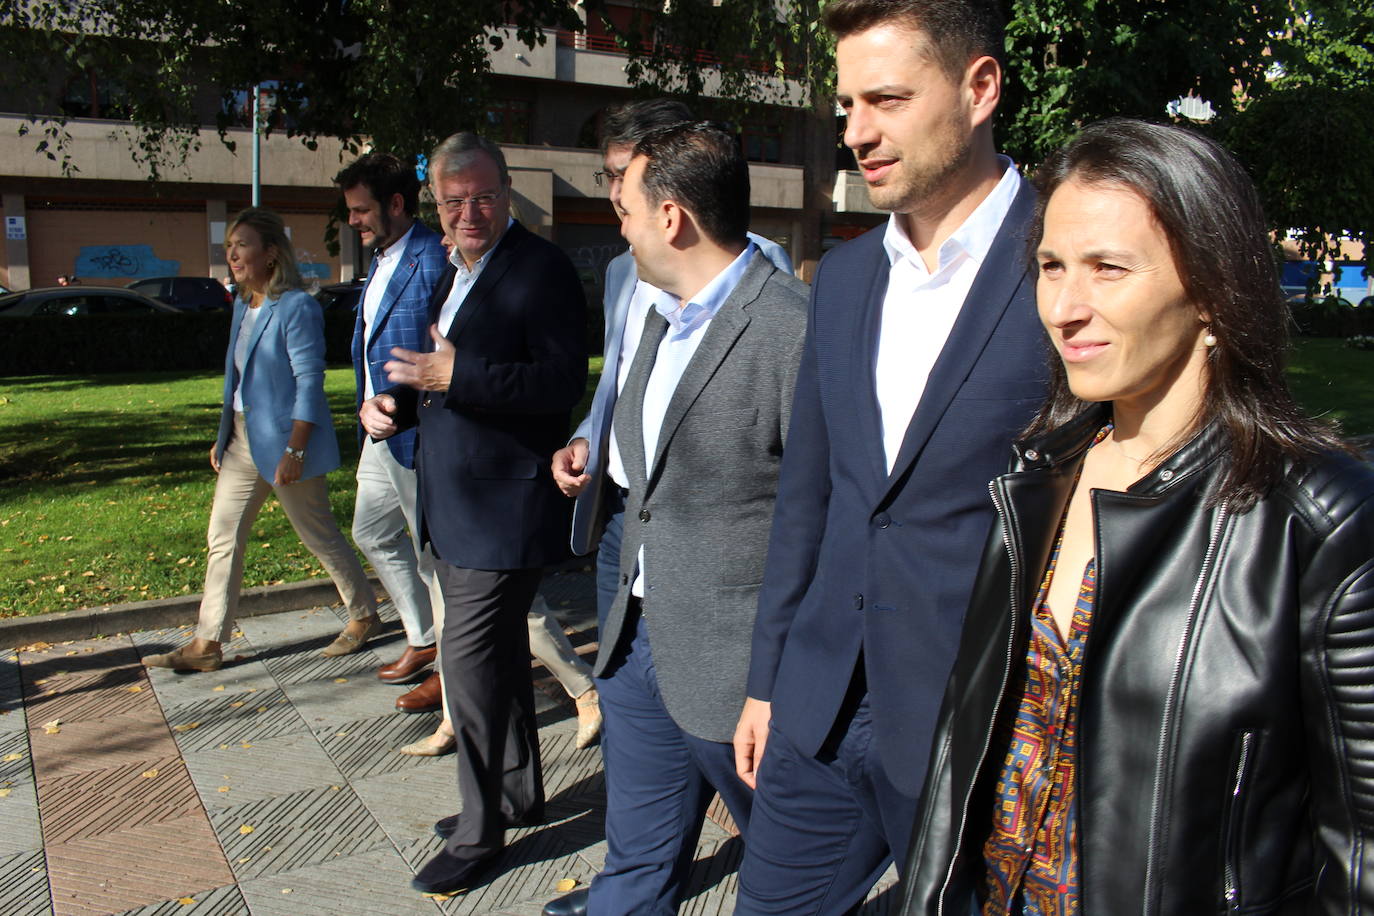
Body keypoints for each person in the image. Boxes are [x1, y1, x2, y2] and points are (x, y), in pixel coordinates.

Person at [902, 118, 1374, 914]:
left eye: (1107, 269)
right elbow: (968, 747)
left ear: (1215, 294)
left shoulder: (1317, 522)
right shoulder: (1038, 477)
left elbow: (1360, 853)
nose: (1064, 307)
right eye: (1051, 266)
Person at [730, 0, 1049, 911]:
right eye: (847, 108)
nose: (857, 134)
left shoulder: (1064, 263)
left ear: (979, 87)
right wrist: (767, 682)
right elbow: (811, 495)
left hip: (975, 719)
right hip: (819, 703)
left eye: (887, 100)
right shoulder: (847, 275)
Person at [544, 122, 808, 916]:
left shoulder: (791, 329)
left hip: (734, 664)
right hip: (633, 630)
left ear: (671, 219)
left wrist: (776, 680)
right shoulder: (658, 313)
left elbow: (817, 519)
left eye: (624, 208)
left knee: (791, 860)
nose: (615, 224)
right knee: (637, 856)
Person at [360, 132, 587, 894]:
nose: (469, 212)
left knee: (467, 665)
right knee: (494, 667)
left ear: (507, 190)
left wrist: (463, 373)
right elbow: (436, 377)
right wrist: (392, 403)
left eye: (483, 196)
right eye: (453, 200)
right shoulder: (449, 273)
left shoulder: (542, 268)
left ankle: (480, 830)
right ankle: (518, 797)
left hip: (508, 506)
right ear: (435, 201)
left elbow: (559, 385)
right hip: (452, 500)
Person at [553, 99, 792, 628]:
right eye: (608, 175)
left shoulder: (760, 265)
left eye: (626, 175)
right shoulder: (621, 270)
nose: (615, 193)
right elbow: (620, 381)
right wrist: (589, 436)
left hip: (702, 531)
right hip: (619, 515)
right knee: (626, 678)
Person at [145, 207, 379, 673]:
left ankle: (363, 613)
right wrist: (224, 434)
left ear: (271, 253)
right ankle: (207, 643)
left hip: (288, 442)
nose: (233, 254)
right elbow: (236, 381)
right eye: (229, 246)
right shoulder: (242, 306)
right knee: (223, 536)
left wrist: (295, 449)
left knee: (318, 534)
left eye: (243, 245)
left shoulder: (296, 306)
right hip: (241, 443)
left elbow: (309, 382)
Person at [337, 152, 449, 705]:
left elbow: (442, 352)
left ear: (397, 204)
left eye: (361, 211)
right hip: (374, 430)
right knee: (371, 531)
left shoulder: (431, 258)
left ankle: (453, 671)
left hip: (412, 432)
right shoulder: (383, 258)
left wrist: (404, 406)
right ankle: (424, 637)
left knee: (434, 555)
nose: (353, 221)